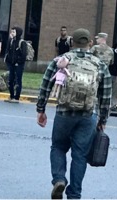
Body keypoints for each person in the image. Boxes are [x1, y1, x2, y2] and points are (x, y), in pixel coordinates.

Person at [36, 28, 111, 199]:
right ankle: (75, 194)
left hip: (64, 113)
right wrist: (103, 119)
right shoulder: (99, 65)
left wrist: (41, 109)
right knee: (80, 155)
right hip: (87, 115)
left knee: (58, 147)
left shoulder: (60, 60)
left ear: (71, 43)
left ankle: (59, 179)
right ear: (90, 44)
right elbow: (105, 95)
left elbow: (46, 85)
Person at [4, 26, 27, 103]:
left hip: (19, 65)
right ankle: (11, 96)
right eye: (11, 32)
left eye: (14, 32)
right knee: (10, 80)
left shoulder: (22, 42)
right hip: (12, 64)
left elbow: (24, 55)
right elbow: (8, 50)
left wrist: (18, 62)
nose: (12, 33)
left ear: (18, 33)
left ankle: (17, 97)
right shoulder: (11, 41)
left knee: (18, 80)